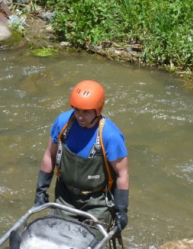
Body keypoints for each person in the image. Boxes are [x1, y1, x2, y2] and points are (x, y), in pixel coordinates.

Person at [34, 80, 129, 235]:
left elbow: (122, 174)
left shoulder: (111, 136)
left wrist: (121, 211)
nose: (80, 116)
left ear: (97, 110)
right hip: (65, 196)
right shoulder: (63, 123)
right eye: (77, 110)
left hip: (97, 202)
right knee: (58, 240)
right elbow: (49, 156)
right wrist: (41, 191)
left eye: (86, 112)